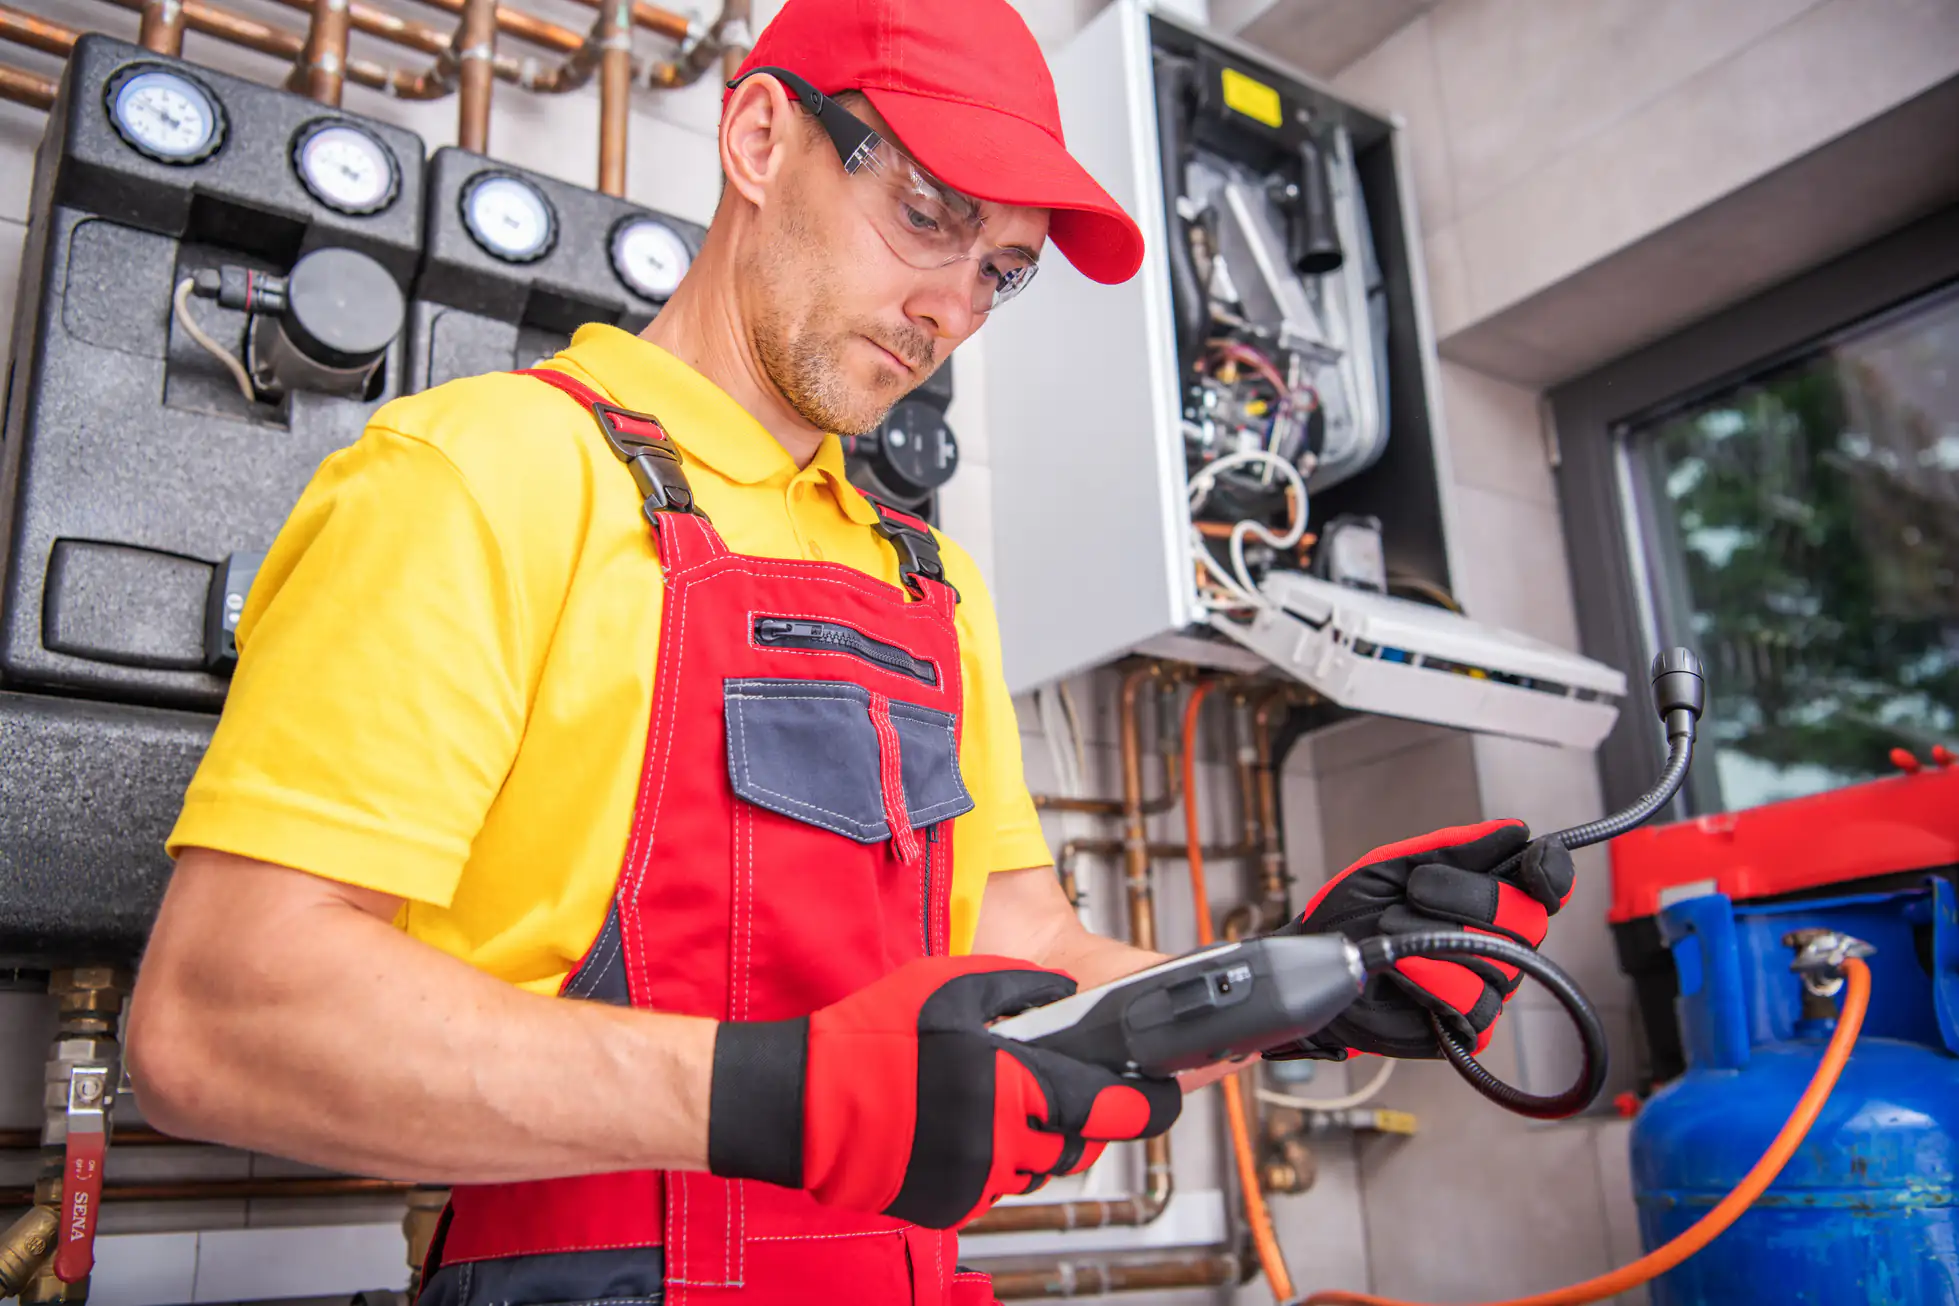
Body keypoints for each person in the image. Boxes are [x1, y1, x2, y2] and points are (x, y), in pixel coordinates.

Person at [126, 1, 1575, 1302]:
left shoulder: (927, 579)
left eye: (999, 269)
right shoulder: (487, 470)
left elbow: (1033, 962)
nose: (951, 307)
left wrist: (1298, 984)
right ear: (760, 136)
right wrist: (780, 1094)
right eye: (928, 214)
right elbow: (215, 1022)